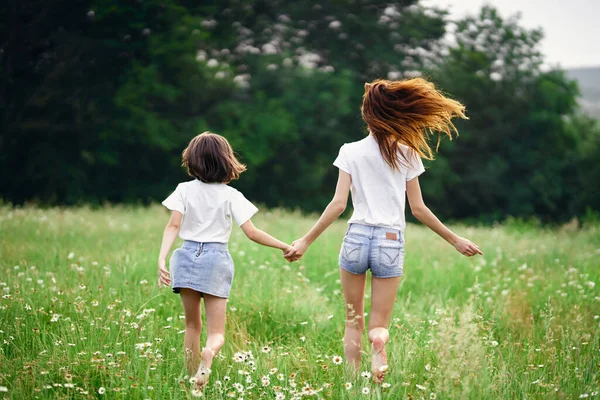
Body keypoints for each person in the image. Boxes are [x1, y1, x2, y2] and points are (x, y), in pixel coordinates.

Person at [285, 78, 483, 384]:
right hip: (390, 241)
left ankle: (352, 384)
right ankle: (379, 343)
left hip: (356, 237)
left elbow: (338, 204)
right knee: (379, 324)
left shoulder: (350, 150)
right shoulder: (407, 152)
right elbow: (418, 209)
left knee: (353, 321)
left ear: (367, 115)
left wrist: (306, 240)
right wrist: (455, 240)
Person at [157, 132, 295, 389]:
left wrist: (162, 259)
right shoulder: (231, 195)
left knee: (191, 325)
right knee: (216, 333)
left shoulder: (183, 190)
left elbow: (173, 226)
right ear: (226, 161)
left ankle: (192, 377)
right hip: (215, 260)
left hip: (185, 256)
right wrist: (284, 245)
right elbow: (252, 232)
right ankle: (208, 354)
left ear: (192, 160)